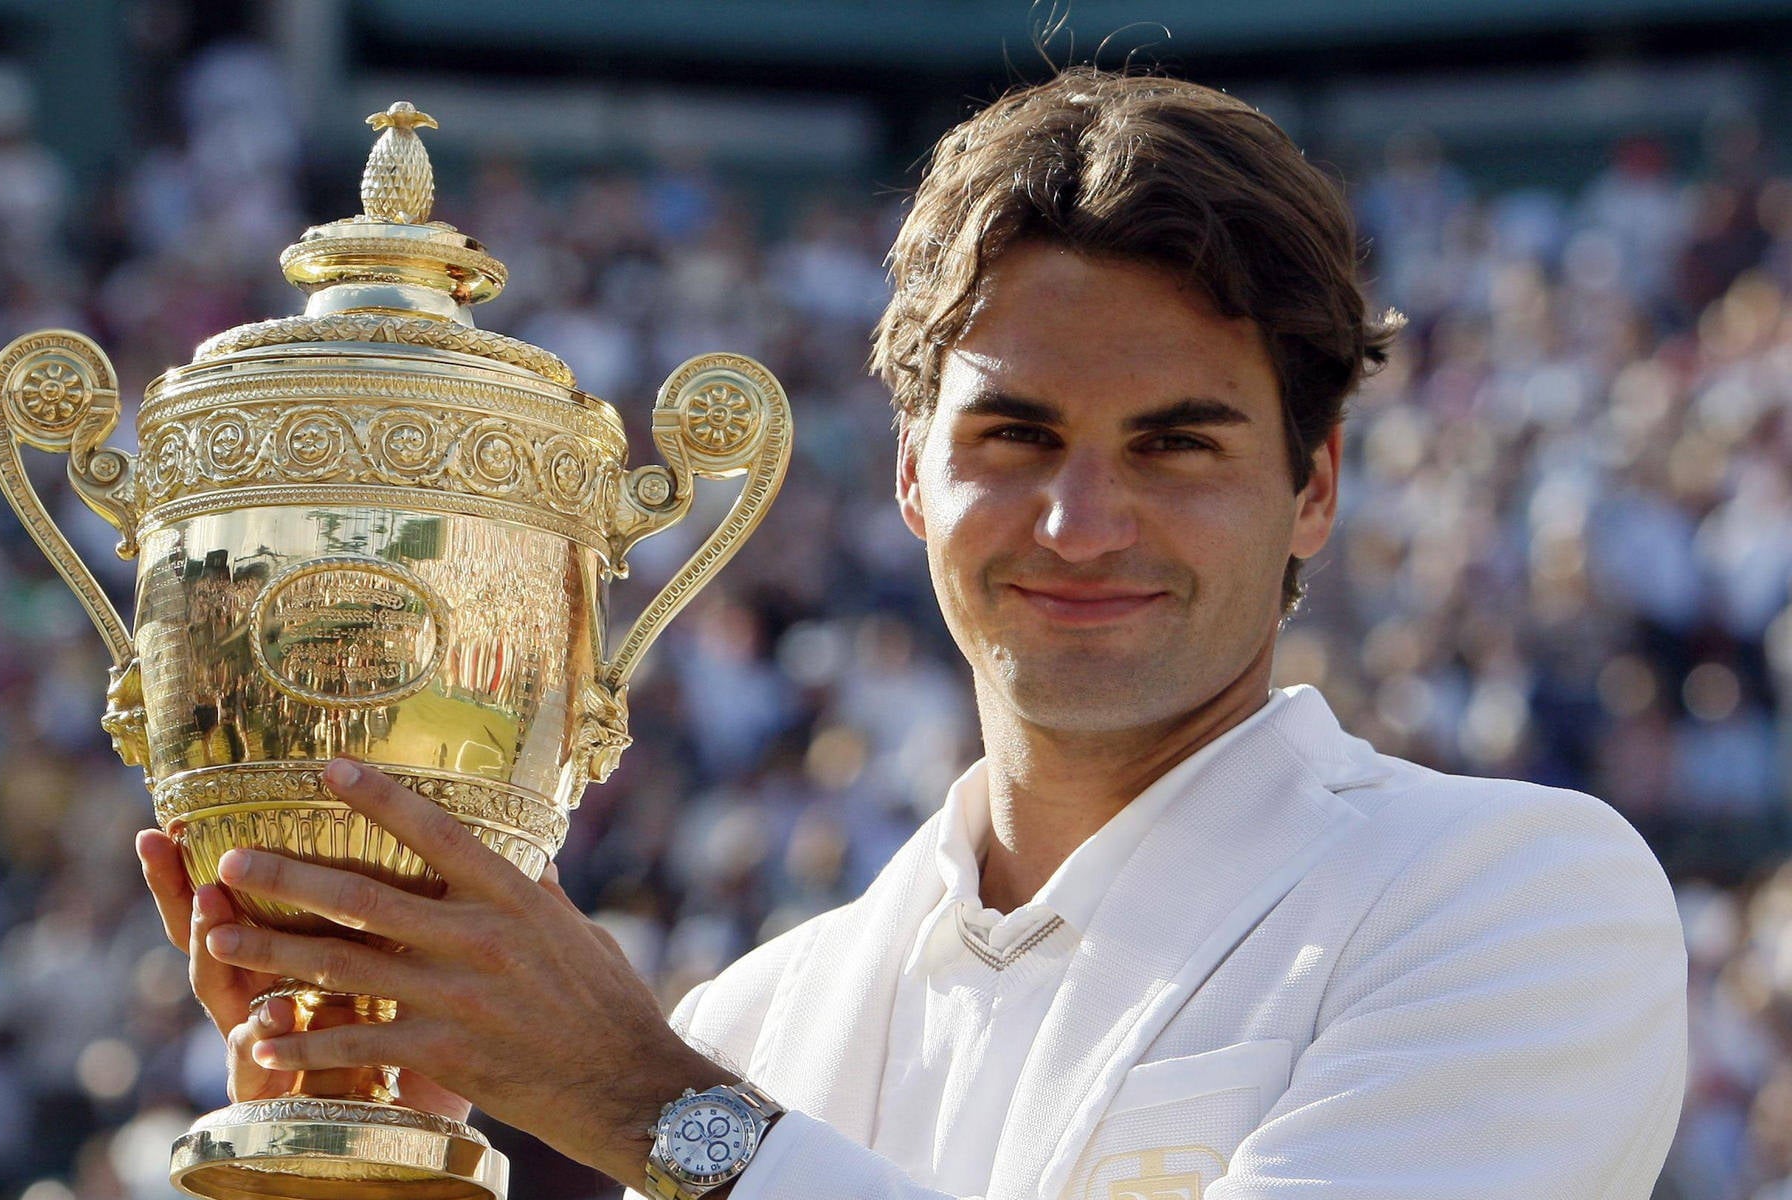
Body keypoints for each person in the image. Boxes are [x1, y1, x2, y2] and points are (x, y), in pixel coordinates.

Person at [138, 68, 1687, 1199]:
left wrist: (642, 1102)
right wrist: (362, 1150)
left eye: (1175, 446)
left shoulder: (1517, 900)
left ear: (1314, 490)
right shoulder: (759, 1018)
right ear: (907, 477)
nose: (1082, 523)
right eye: (1015, 436)